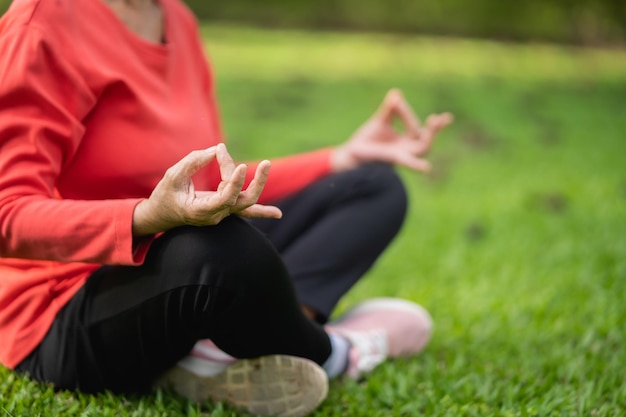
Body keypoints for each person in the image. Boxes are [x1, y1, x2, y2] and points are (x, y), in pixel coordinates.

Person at [0, 0, 453, 416]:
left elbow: (208, 178)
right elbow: (7, 213)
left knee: (371, 187)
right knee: (220, 247)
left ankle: (220, 350)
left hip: (173, 257)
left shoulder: (176, 19)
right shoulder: (42, 25)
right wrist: (146, 217)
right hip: (61, 314)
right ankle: (337, 351)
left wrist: (340, 159)